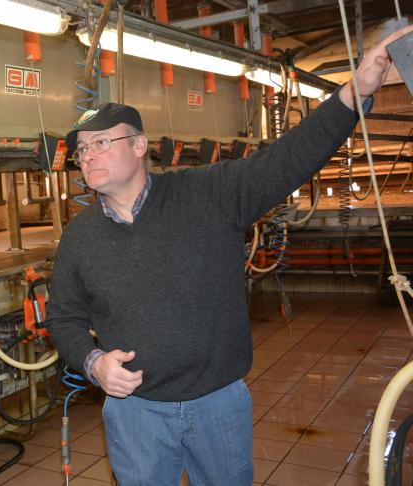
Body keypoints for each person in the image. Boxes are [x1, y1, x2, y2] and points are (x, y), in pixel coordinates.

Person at [46, 25, 413, 486]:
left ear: (139, 146)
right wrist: (93, 362)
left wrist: (357, 89)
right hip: (134, 411)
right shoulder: (79, 237)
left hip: (216, 404)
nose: (90, 155)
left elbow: (287, 159)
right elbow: (63, 318)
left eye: (103, 142)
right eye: (82, 149)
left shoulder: (209, 194)